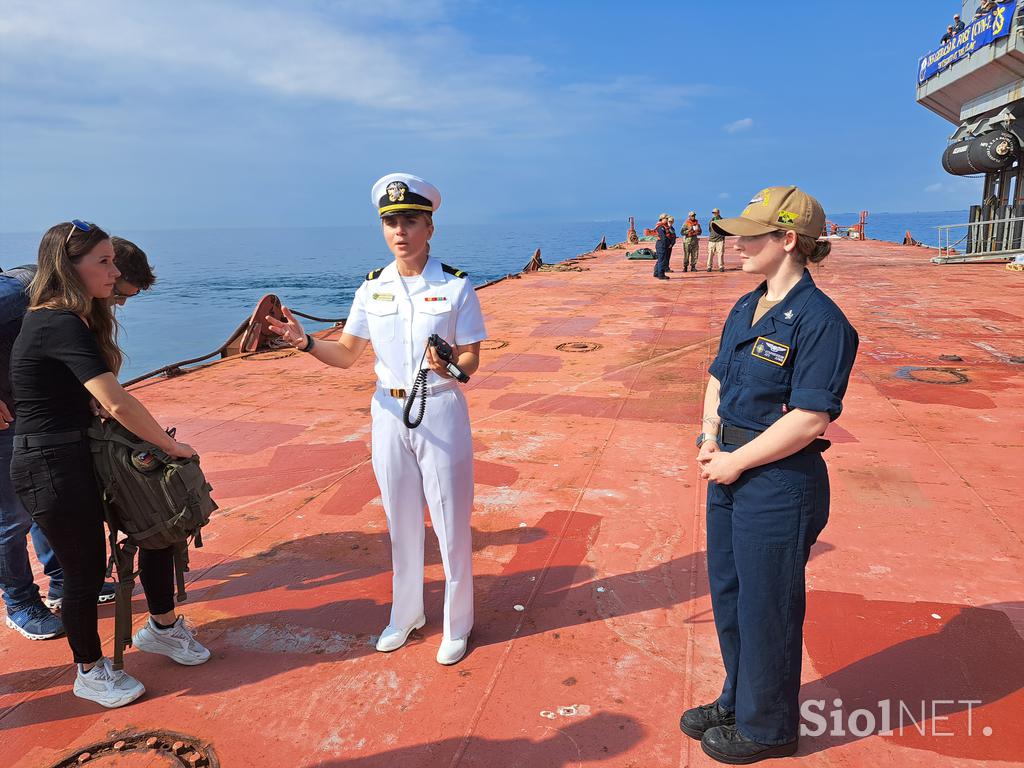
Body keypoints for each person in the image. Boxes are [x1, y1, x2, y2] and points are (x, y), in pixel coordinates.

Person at [267, 174, 487, 666]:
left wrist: (449, 365)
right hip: (388, 411)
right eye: (391, 222)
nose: (400, 230)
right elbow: (346, 354)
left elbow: (471, 358)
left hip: (441, 406)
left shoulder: (455, 286)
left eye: (410, 220)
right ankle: (405, 614)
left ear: (430, 226)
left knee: (451, 520)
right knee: (400, 521)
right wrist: (304, 343)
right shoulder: (372, 288)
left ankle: (458, 622)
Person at [679, 187, 858, 764]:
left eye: (748, 237)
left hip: (777, 483)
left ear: (787, 240)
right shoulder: (745, 305)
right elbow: (718, 379)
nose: (734, 246)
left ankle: (769, 727)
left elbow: (809, 419)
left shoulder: (822, 322)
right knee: (731, 596)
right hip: (729, 470)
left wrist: (734, 459)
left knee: (768, 606)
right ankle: (738, 699)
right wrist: (710, 436)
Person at [9, 221, 210, 709]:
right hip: (49, 464)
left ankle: (161, 627)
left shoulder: (76, 320)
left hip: (86, 452)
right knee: (83, 571)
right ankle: (89, 671)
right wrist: (170, 445)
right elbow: (116, 401)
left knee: (157, 526)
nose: (113, 271)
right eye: (103, 262)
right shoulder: (54, 320)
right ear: (68, 266)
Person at [706, 208, 726, 273]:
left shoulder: (722, 220)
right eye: (713, 213)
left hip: (720, 240)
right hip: (712, 240)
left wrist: (722, 237)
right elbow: (710, 229)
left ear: (718, 213)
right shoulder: (711, 221)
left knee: (720, 254)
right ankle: (709, 267)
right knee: (710, 254)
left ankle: (721, 266)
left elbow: (724, 230)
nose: (714, 214)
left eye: (715, 212)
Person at [653, 214, 670, 280]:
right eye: (666, 218)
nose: (667, 220)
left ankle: (656, 272)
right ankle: (661, 275)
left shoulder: (663, 226)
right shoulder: (661, 227)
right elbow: (663, 238)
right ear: (662, 219)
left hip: (661, 245)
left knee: (660, 259)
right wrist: (667, 244)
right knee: (662, 260)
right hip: (661, 245)